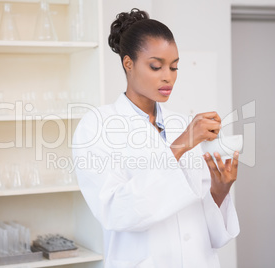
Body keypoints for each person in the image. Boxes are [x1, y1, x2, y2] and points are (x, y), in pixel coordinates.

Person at [72, 8, 240, 268]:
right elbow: (116, 211)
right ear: (128, 63)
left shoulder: (182, 123)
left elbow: (208, 228)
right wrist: (180, 145)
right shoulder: (97, 126)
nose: (168, 77)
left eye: (174, 67)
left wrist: (219, 191)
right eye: (156, 66)